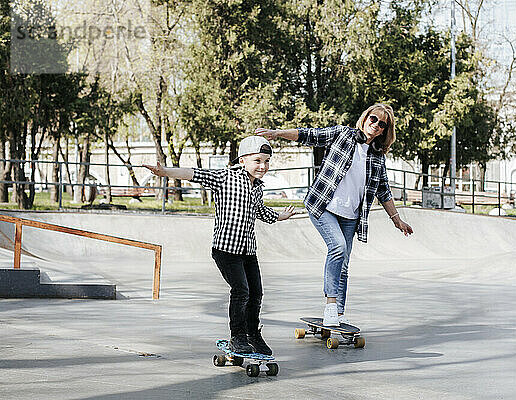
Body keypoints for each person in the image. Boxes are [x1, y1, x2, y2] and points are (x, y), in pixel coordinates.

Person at [255, 103, 413, 326]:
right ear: (365, 117)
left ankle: (339, 312)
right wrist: (277, 133)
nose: (376, 125)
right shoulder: (343, 134)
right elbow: (310, 135)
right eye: (374, 119)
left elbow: (383, 190)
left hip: (351, 216)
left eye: (382, 124)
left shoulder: (377, 157)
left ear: (385, 131)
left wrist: (397, 220)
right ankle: (330, 305)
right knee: (337, 248)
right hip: (323, 206)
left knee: (344, 264)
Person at [143, 136, 295, 355]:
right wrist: (165, 171)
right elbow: (194, 174)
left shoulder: (258, 188)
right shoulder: (226, 177)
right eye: (257, 161)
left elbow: (260, 211)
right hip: (225, 250)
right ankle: (238, 337)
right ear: (242, 160)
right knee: (241, 291)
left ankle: (253, 334)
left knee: (257, 293)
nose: (263, 166)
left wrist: (280, 216)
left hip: (248, 251)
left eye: (266, 161)